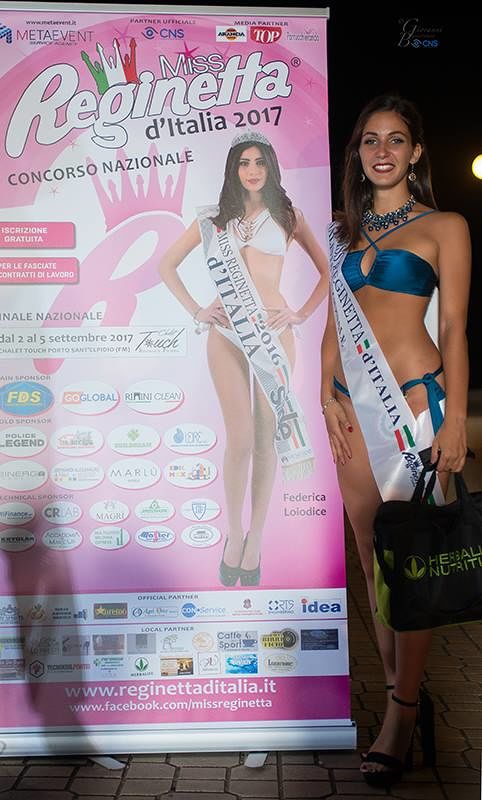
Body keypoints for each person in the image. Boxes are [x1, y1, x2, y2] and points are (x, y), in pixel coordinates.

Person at [321, 94, 471, 786]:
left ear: (416, 153)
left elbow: (454, 329)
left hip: (414, 406)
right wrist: (326, 395)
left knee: (411, 558)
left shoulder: (445, 225)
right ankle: (397, 693)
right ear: (358, 153)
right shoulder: (341, 232)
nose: (382, 151)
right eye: (370, 140)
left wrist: (454, 420)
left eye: (396, 139)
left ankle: (403, 715)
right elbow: (333, 325)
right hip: (354, 408)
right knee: (373, 560)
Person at [160, 130, 329, 587]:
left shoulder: (288, 216)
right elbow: (166, 265)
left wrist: (299, 313)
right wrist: (197, 310)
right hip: (226, 337)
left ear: (271, 167)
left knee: (265, 441)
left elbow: (327, 271)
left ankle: (256, 538)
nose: (252, 170)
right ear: (233, 170)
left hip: (273, 338)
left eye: (259, 161)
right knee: (239, 440)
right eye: (243, 162)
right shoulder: (215, 219)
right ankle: (233, 534)